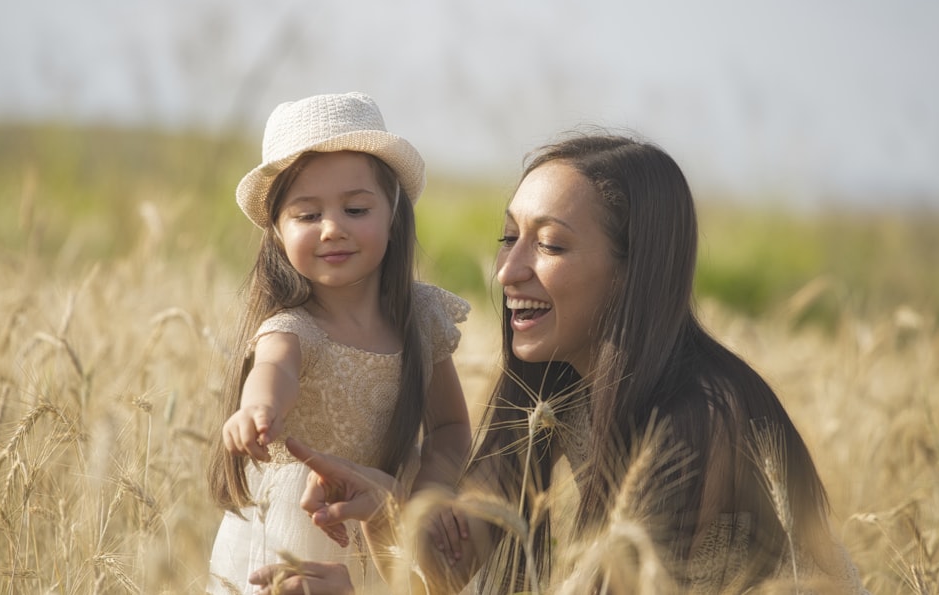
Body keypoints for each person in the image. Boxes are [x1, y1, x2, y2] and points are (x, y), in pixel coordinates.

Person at [250, 132, 868, 594]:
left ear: (633, 270)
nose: (508, 271)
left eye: (549, 244)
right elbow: (450, 563)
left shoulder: (704, 418)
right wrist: (391, 511)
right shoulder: (546, 392)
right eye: (509, 237)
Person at [205, 92, 472, 594]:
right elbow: (273, 372)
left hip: (391, 519)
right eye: (307, 216)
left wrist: (429, 498)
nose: (332, 229)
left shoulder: (420, 319)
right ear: (277, 233)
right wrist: (257, 411)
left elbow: (453, 426)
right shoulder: (294, 328)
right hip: (304, 523)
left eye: (355, 208)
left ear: (392, 215)